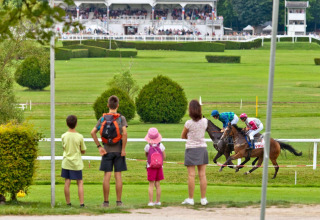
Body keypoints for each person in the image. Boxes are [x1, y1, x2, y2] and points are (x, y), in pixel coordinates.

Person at [90, 95, 128, 207]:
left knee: (107, 176)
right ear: (118, 106)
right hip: (118, 151)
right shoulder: (121, 118)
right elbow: (124, 134)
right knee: (118, 176)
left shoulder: (102, 119)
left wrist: (99, 147)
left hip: (106, 150)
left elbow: (92, 132)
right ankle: (119, 202)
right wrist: (123, 149)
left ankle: (106, 202)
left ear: (108, 105)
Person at [181, 99, 208, 206]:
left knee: (191, 176)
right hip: (202, 148)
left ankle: (191, 199)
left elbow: (183, 136)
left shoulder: (188, 123)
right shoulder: (205, 121)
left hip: (191, 149)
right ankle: (203, 199)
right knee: (202, 175)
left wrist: (190, 136)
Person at [61, 115, 86, 207]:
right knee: (79, 182)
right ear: (76, 124)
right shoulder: (79, 136)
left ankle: (68, 203)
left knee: (67, 182)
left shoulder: (63, 136)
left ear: (67, 124)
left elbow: (64, 147)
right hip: (76, 163)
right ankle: (81, 203)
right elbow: (83, 150)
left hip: (66, 162)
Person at [144, 127, 166, 206]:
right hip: (159, 167)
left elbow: (146, 155)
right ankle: (158, 201)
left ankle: (150, 201)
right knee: (158, 184)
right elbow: (164, 156)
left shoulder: (147, 146)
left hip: (150, 167)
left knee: (151, 184)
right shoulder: (161, 145)